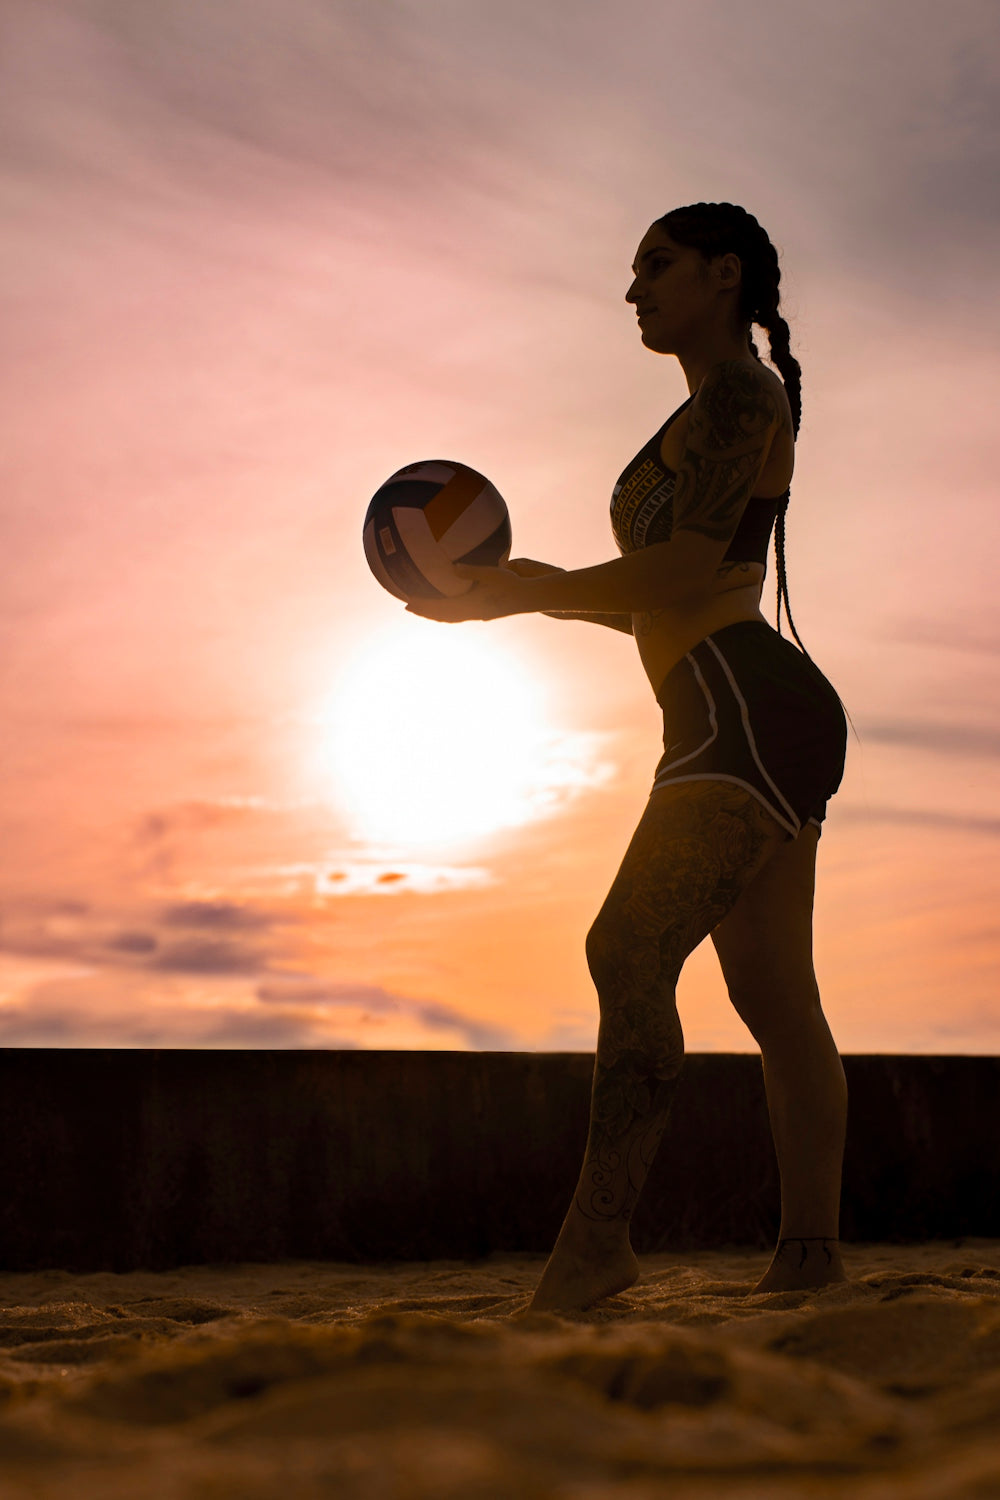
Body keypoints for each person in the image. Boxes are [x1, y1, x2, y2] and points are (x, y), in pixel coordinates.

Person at [406, 201, 850, 1310]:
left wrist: (535, 595)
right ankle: (809, 1259)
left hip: (739, 706)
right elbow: (658, 597)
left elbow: (691, 567)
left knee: (627, 946)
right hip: (733, 708)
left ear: (723, 273)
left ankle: (599, 1246)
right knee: (772, 994)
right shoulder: (699, 414)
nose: (633, 288)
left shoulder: (742, 394)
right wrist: (525, 596)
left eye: (656, 266)